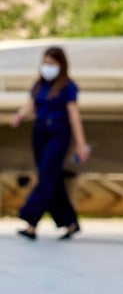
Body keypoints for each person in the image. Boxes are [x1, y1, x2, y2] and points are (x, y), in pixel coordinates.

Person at [10, 45, 88, 239]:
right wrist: (19, 116)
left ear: (61, 65)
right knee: (52, 178)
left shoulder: (68, 87)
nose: (47, 67)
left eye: (52, 64)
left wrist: (80, 144)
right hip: (40, 132)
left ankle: (31, 221)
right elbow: (30, 105)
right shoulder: (39, 85)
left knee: (46, 176)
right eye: (45, 63)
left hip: (58, 133)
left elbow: (74, 115)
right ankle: (70, 222)